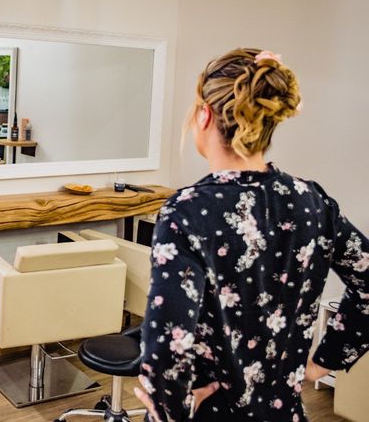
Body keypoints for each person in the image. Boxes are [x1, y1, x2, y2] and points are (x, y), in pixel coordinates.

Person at [133, 48, 369, 421]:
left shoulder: (187, 211)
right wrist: (323, 362)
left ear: (204, 115)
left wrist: (169, 411)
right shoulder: (314, 202)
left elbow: (166, 342)